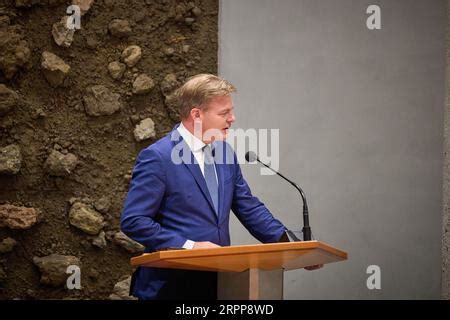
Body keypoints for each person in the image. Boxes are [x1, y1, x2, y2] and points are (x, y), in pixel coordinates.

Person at [120, 74, 320, 300]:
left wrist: (292, 247)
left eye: (231, 111)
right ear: (197, 114)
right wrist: (189, 246)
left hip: (220, 283)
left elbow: (249, 207)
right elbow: (134, 221)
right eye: (224, 113)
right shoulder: (158, 157)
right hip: (171, 287)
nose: (233, 119)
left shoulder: (224, 153)